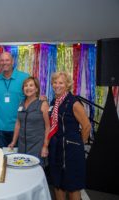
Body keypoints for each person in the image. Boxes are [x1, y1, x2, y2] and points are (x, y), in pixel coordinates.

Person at [48, 71, 91, 200]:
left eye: (61, 82)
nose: (57, 85)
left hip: (71, 151)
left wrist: (78, 144)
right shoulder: (54, 101)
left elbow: (87, 126)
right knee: (57, 184)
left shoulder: (74, 102)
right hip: (56, 148)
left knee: (72, 186)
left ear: (67, 85)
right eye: (55, 82)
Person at [0, 52, 29, 147]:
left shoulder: (24, 77)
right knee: (3, 157)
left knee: (18, 158)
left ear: (12, 61)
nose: (4, 62)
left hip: (19, 127)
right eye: (2, 60)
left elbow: (32, 96)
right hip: (0, 127)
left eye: (7, 60)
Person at [8, 77, 50, 164]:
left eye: (31, 85)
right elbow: (18, 124)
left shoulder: (43, 104)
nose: (28, 88)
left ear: (36, 89)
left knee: (35, 171)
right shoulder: (21, 103)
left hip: (37, 145)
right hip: (22, 145)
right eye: (26, 86)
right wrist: (13, 141)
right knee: (22, 169)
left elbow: (48, 127)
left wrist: (45, 146)